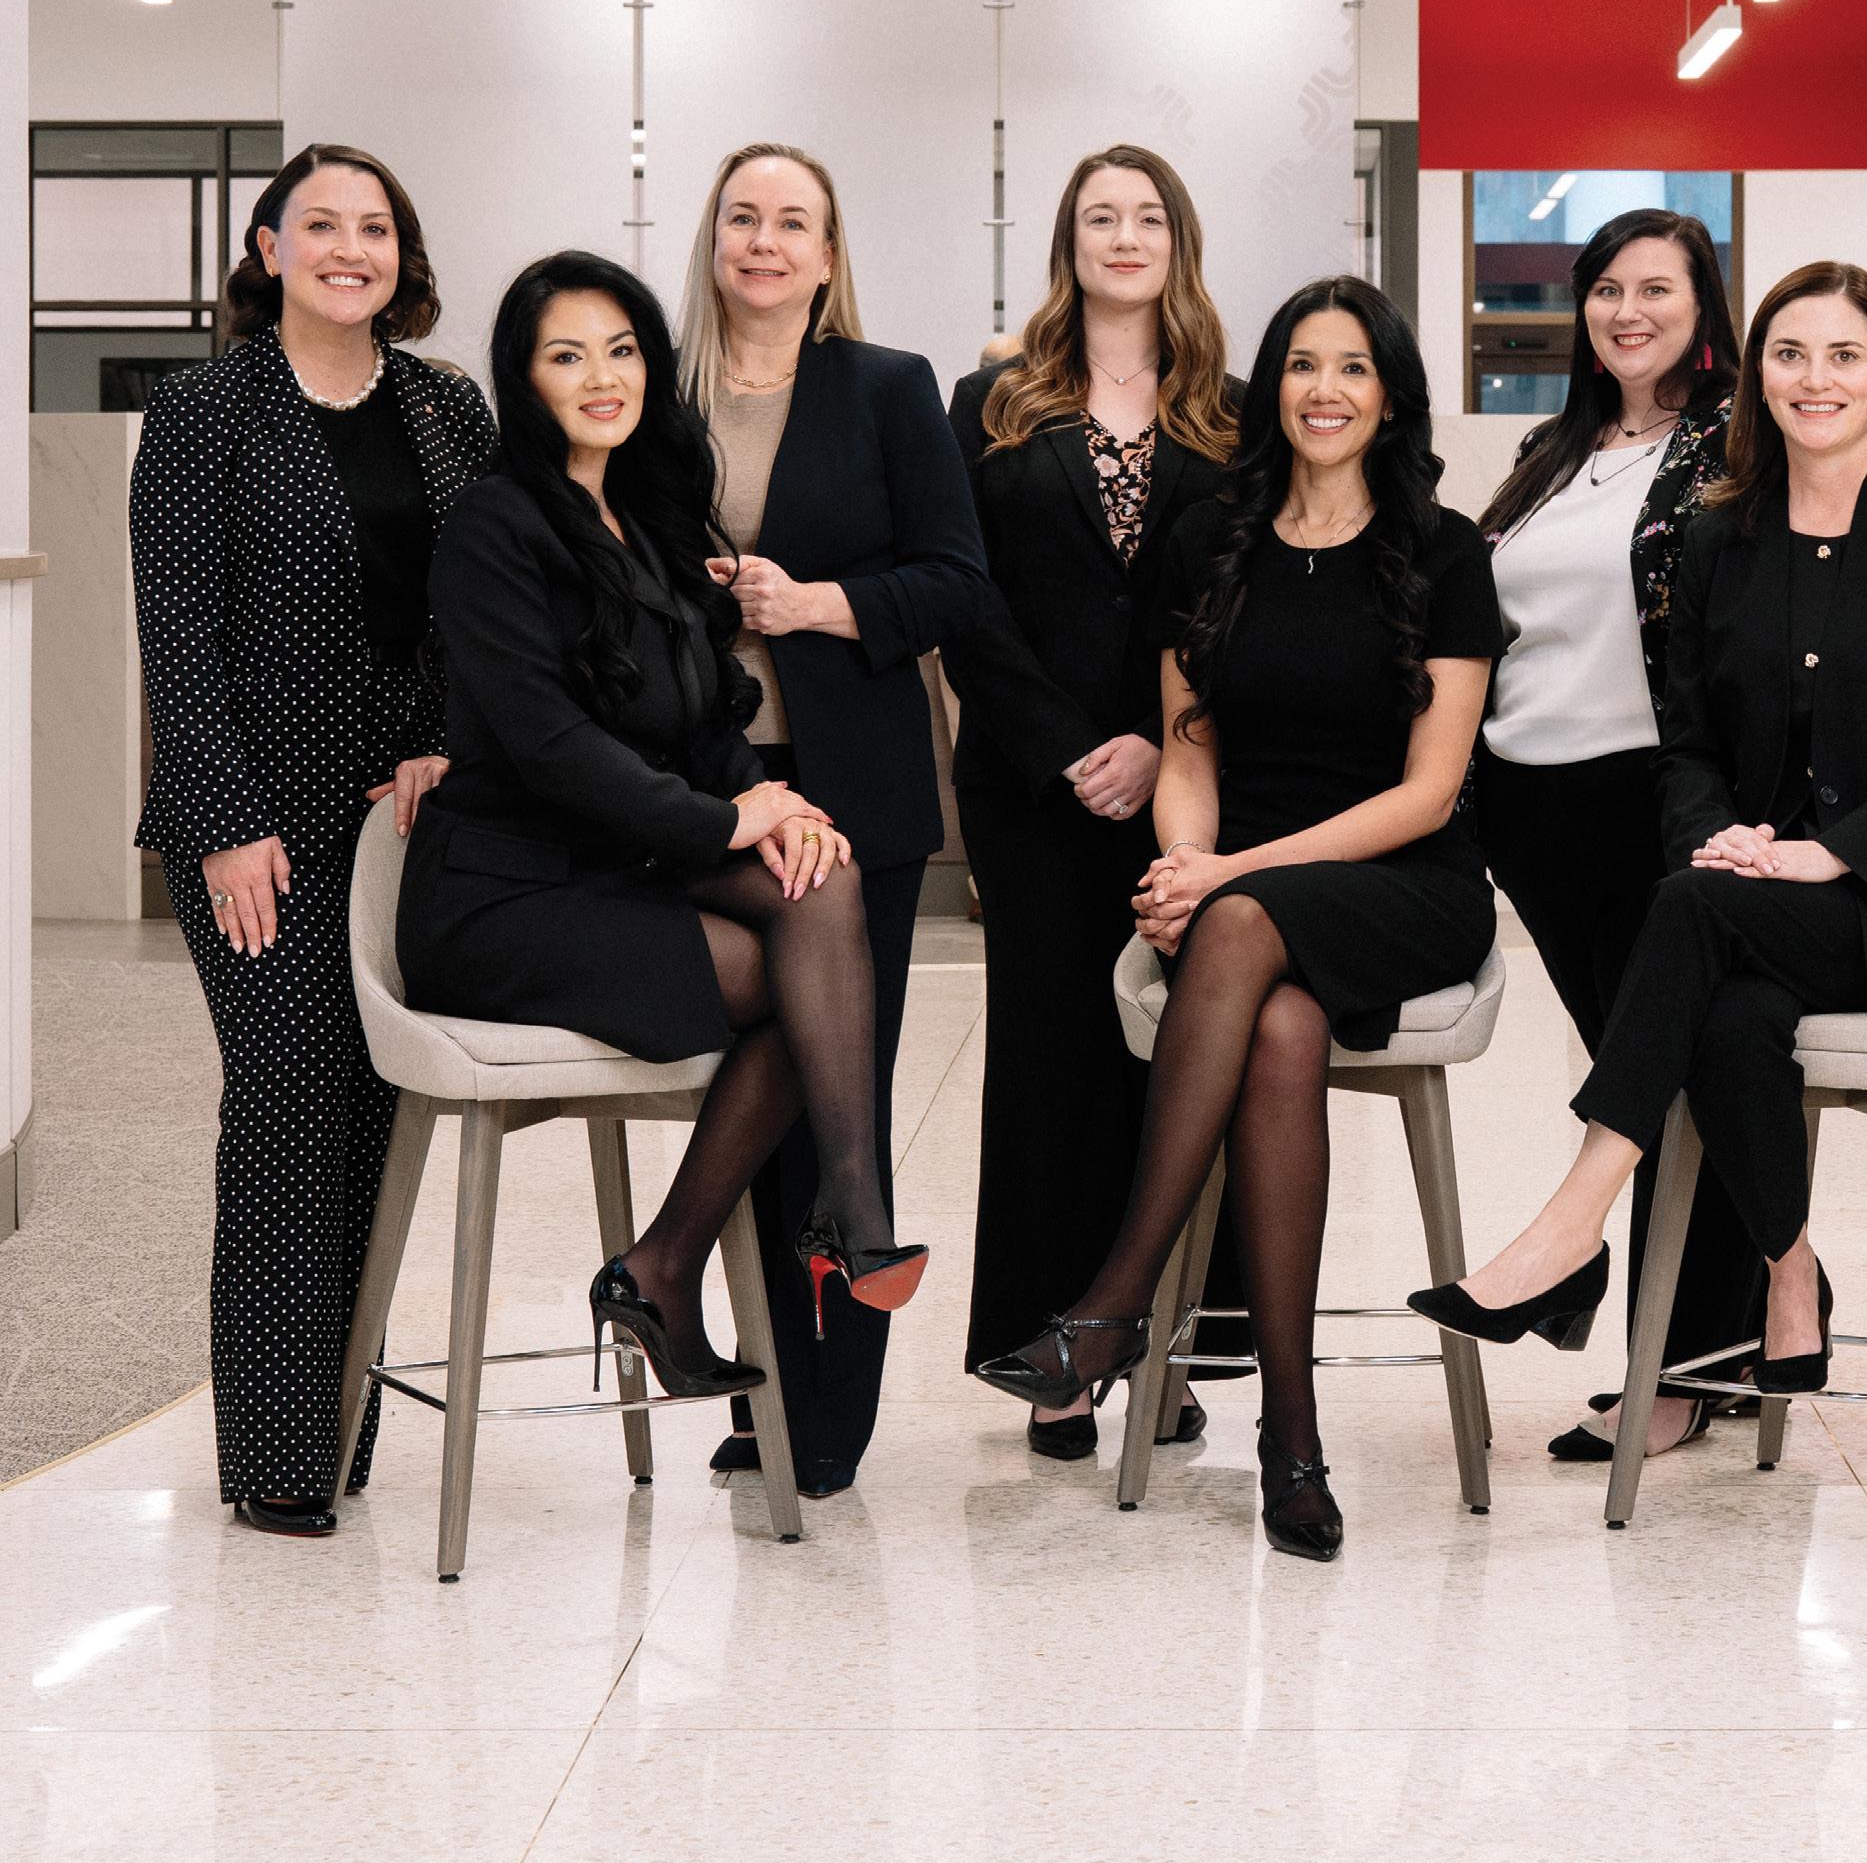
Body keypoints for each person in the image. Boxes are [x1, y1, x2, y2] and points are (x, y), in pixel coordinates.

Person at [1415, 265, 1867, 1409]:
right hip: (1767, 900)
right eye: (1789, 354)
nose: (1814, 378)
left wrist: (1828, 853)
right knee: (1730, 1017)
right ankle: (1788, 1275)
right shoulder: (1717, 537)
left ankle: (1570, 1223)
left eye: (1843, 355)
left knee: (1685, 910)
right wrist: (1721, 837)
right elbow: (1687, 743)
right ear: (1757, 378)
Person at [974, 276, 1503, 1564]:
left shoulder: (1444, 550)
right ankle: (1291, 1438)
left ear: (1391, 397)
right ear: (1273, 388)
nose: (1326, 390)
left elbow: (1429, 791)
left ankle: (1114, 1298)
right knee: (1276, 1031)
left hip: (1404, 881)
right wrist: (1186, 857)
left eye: (1354, 368)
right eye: (1303, 364)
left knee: (1246, 926)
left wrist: (1227, 876)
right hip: (1247, 893)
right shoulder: (1210, 538)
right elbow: (1188, 747)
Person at [397, 252, 920, 1406]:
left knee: (818, 884)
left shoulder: (646, 517)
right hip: (503, 893)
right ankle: (738, 1242)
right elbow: (552, 748)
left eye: (622, 350)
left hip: (613, 864)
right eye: (567, 355)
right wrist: (727, 818)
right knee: (799, 979)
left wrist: (780, 811)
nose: (602, 376)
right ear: (525, 378)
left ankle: (795, 1221)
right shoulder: (494, 525)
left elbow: (702, 716)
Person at [129, 141, 494, 1536]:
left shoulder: (447, 408)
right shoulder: (203, 408)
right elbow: (177, 631)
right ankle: (277, 1452)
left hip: (405, 811)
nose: (352, 249)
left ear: (403, 256)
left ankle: (333, 1421)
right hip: (255, 818)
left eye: (376, 228)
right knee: (288, 1094)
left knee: (373, 1105)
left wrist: (452, 743)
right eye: (322, 224)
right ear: (268, 249)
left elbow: (487, 605)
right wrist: (223, 824)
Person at [677, 142, 986, 1494]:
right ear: (714, 239)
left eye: (790, 221)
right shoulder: (658, 393)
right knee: (756, 1092)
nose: (763, 240)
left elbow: (957, 580)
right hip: (707, 788)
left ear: (826, 251)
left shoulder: (886, 386)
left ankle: (833, 1415)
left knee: (840, 1091)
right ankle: (761, 1388)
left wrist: (812, 605)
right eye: (742, 217)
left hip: (855, 787)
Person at [945, 143, 1243, 1462]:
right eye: (1099, 217)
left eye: (1147, 217)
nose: (1124, 236)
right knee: (1048, 1061)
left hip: (1188, 782)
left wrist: (1156, 744)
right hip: (1031, 785)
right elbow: (961, 593)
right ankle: (1046, 1358)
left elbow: (1244, 602)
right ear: (1067, 242)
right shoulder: (993, 402)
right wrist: (1072, 748)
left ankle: (1164, 1344)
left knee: (1176, 1063)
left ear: (1177, 241)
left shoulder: (1232, 412)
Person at [1475, 204, 1761, 1468]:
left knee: (1660, 1091)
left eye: (1656, 289)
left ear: (1702, 309)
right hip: (1532, 812)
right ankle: (1760, 1310)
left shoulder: (1734, 444)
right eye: (1606, 289)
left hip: (1654, 800)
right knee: (1652, 1079)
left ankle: (1682, 1367)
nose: (1626, 310)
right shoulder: (1552, 449)